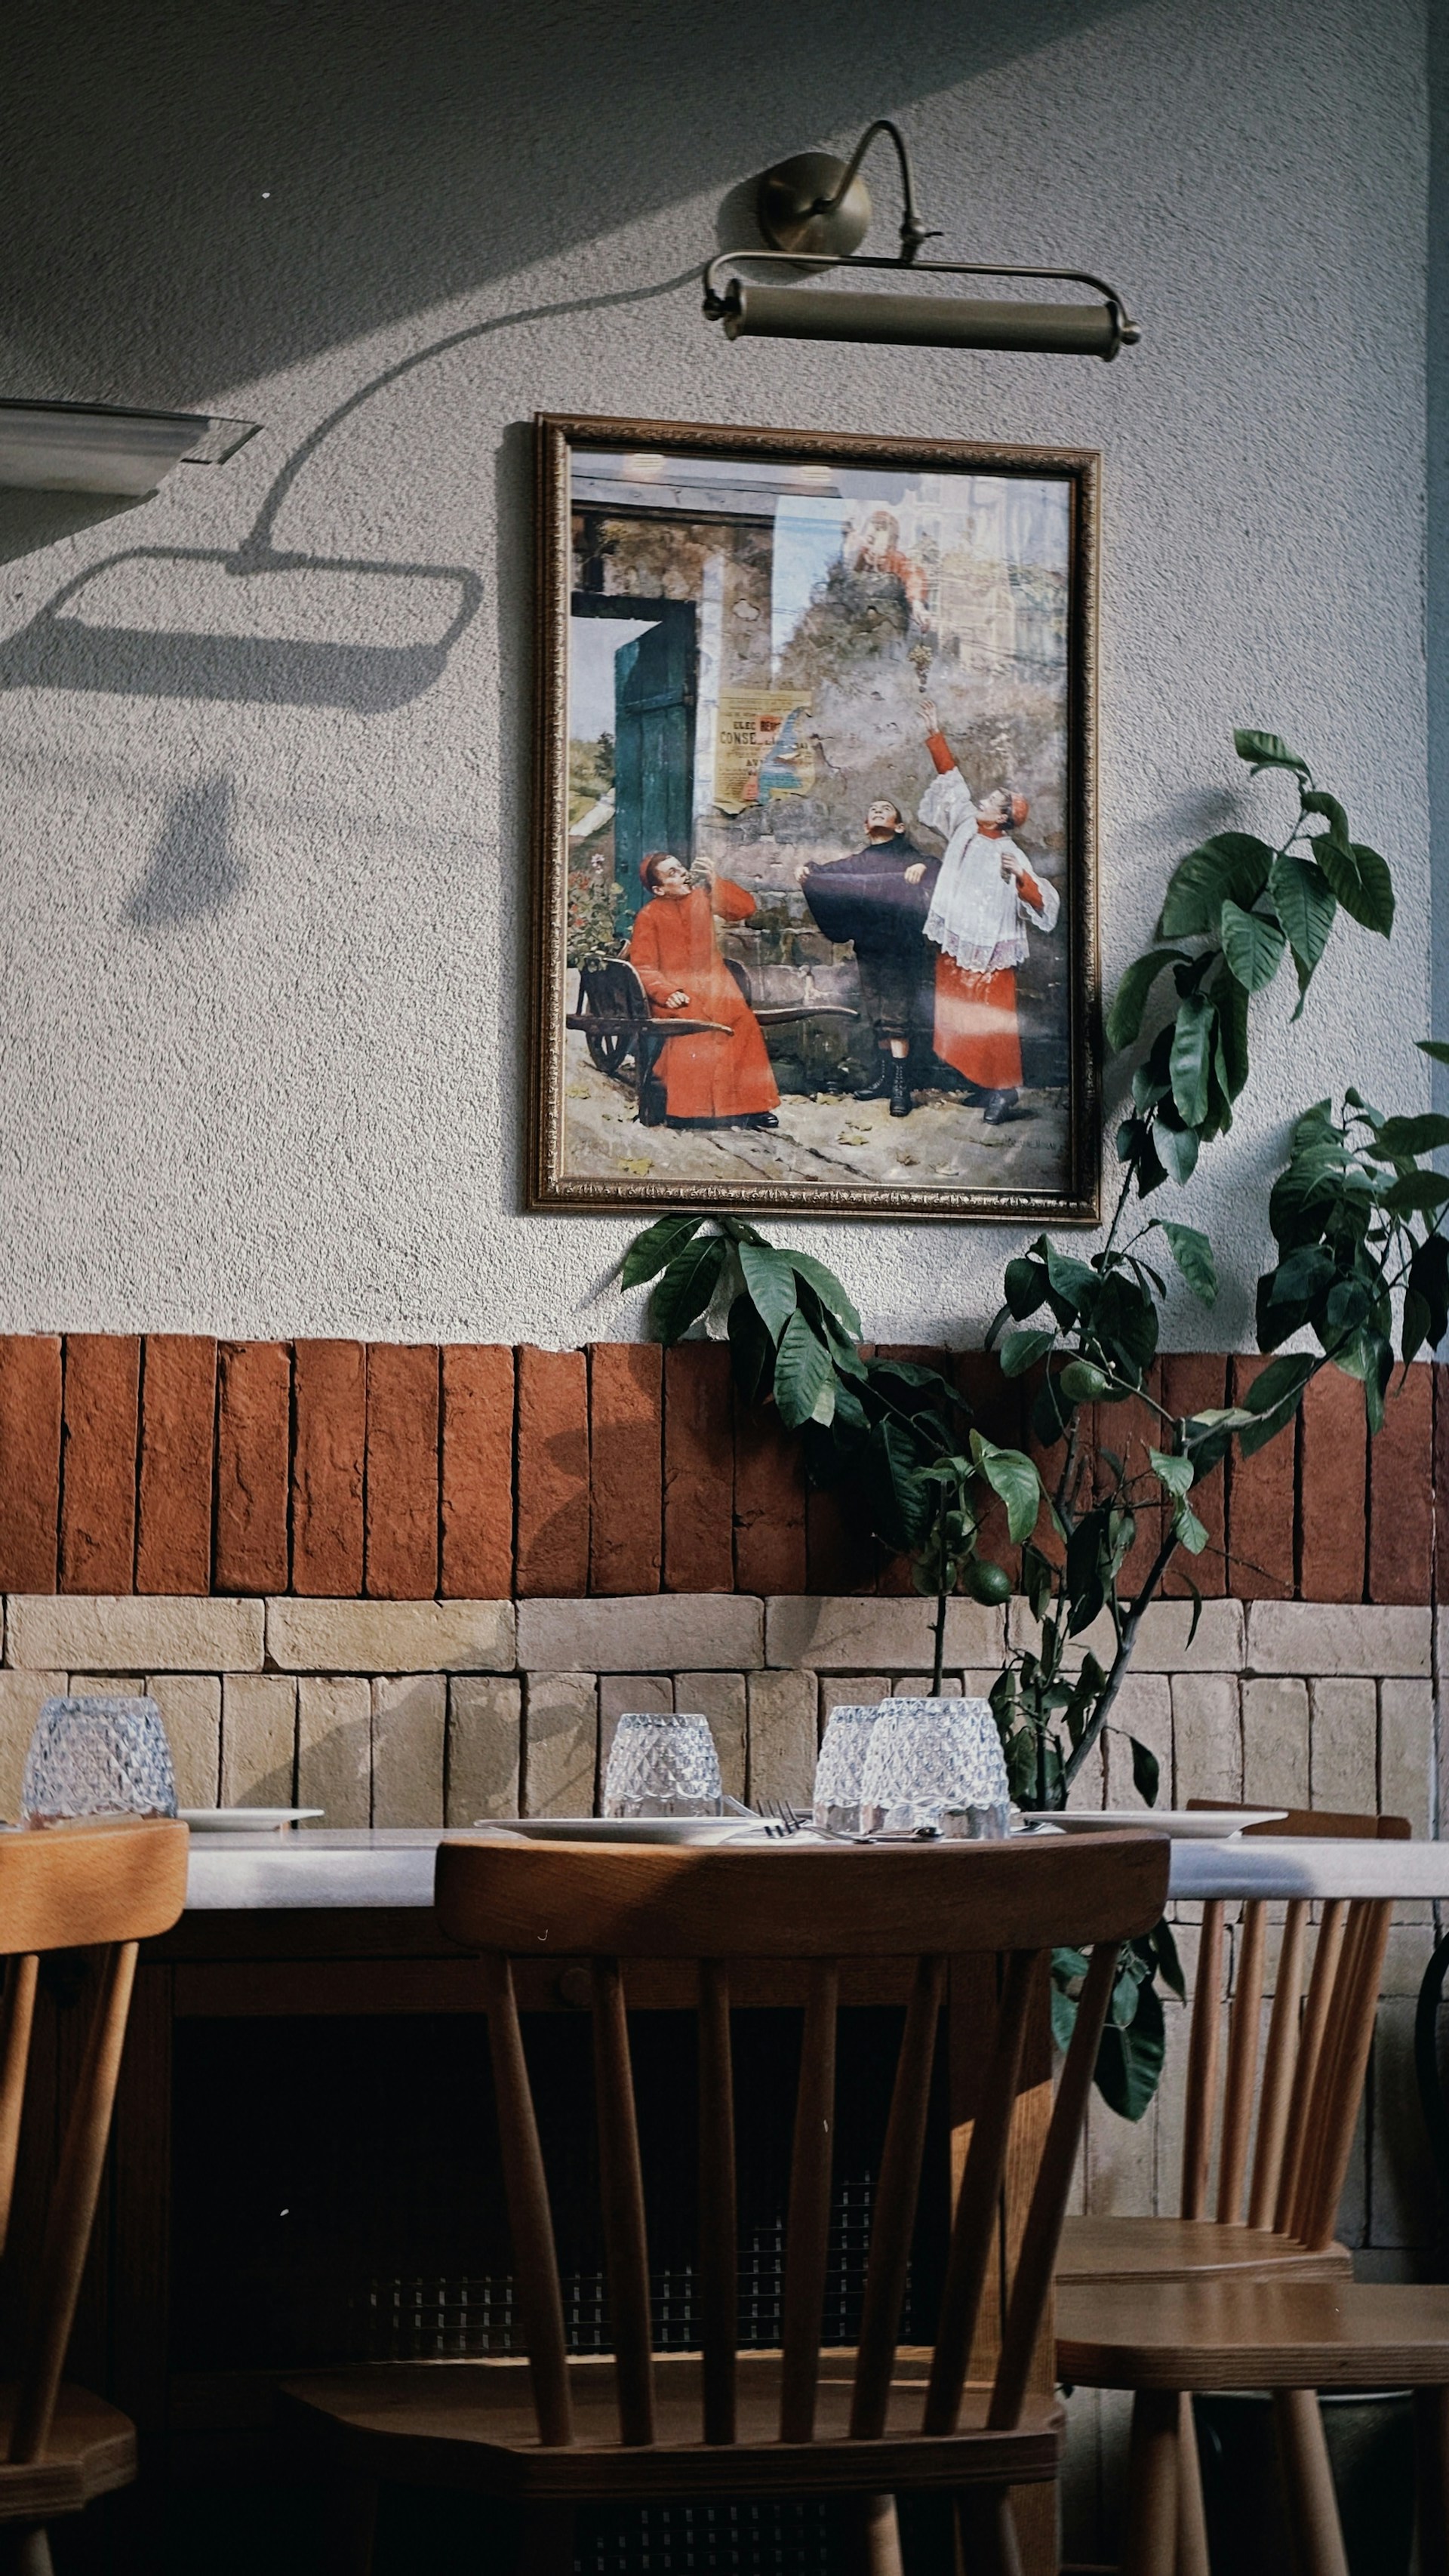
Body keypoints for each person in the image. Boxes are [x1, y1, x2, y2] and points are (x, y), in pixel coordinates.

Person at [915, 697, 1060, 1125]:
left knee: (992, 1021)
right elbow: (951, 778)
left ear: (1002, 819)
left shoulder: (1009, 852)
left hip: (990, 951)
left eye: (993, 800)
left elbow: (1041, 902)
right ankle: (984, 1084)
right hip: (957, 941)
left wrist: (1022, 878)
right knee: (960, 1015)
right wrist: (933, 732)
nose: (982, 799)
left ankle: (1004, 1091)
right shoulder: (964, 823)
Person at [795, 801, 940, 1118]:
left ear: (899, 827)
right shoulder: (858, 863)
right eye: (871, 809)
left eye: (885, 809)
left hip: (901, 949)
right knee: (876, 1014)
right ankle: (886, 1080)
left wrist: (923, 869)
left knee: (896, 1017)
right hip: (870, 948)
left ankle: (902, 1086)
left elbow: (937, 866)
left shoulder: (910, 857)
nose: (876, 810)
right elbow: (826, 873)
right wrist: (807, 871)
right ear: (865, 827)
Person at [627, 853, 779, 1129]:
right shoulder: (648, 916)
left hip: (716, 985)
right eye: (672, 873)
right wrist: (665, 991)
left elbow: (745, 909)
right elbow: (643, 965)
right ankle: (686, 1109)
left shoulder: (702, 897)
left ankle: (752, 1106)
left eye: (681, 868)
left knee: (742, 1023)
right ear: (658, 889)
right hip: (675, 991)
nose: (682, 874)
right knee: (694, 1025)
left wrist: (716, 882)